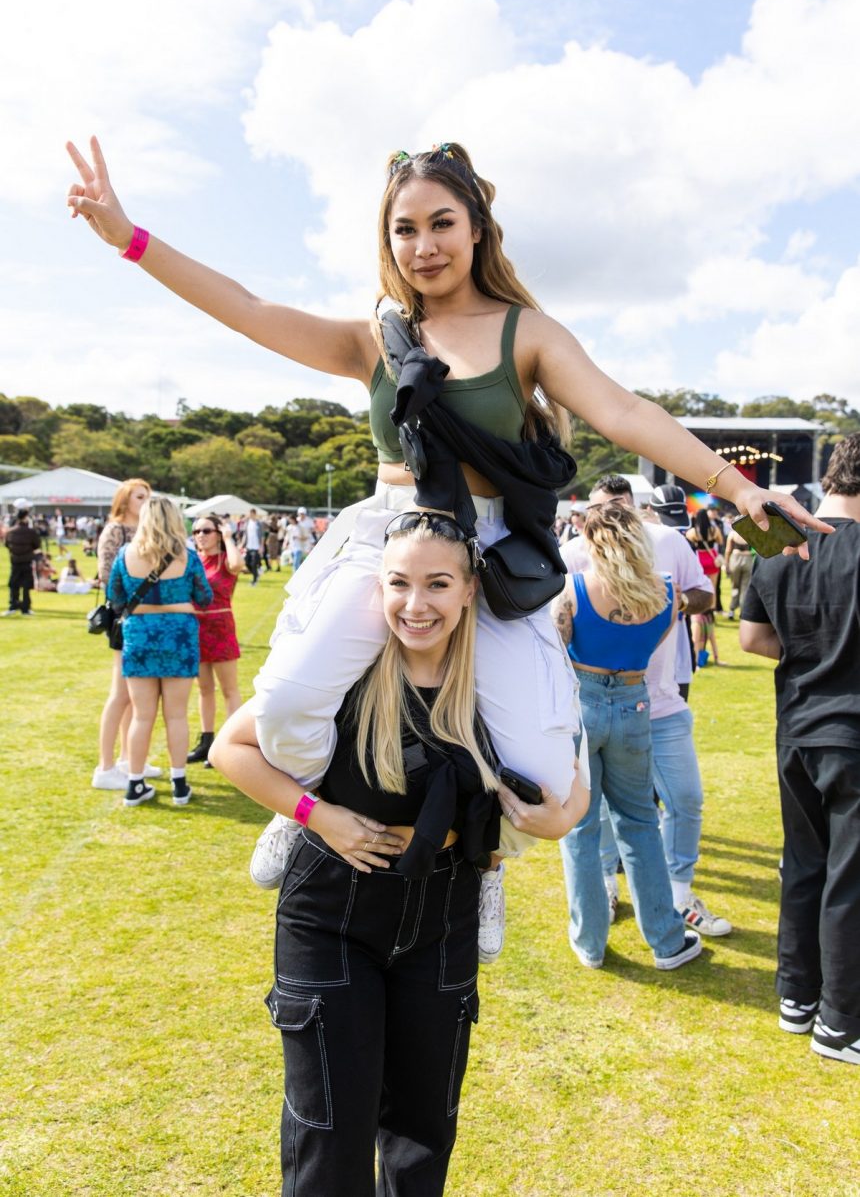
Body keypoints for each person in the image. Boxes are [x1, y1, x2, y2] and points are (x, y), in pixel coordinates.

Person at [66, 137, 827, 886]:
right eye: (405, 229)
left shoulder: (526, 333)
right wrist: (129, 238)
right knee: (290, 705)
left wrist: (739, 487)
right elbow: (246, 308)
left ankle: (483, 862)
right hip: (388, 542)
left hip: (488, 556)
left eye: (441, 224)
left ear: (477, 228)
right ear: (387, 240)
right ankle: (302, 804)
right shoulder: (374, 338)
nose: (424, 246)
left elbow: (624, 411)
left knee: (542, 773)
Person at [210, 513, 586, 1195]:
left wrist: (560, 820)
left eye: (438, 584)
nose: (416, 605)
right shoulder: (346, 670)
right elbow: (229, 748)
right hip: (333, 908)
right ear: (377, 587)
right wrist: (315, 816)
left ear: (469, 589)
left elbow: (573, 781)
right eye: (399, 584)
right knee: (331, 1132)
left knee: (423, 1133)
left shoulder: (497, 685)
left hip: (444, 909)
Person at [566, 477, 731, 937]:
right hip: (610, 701)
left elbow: (701, 595)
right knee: (604, 815)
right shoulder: (574, 556)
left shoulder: (668, 546)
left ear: (634, 509)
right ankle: (613, 896)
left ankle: (675, 897)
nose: (608, 518)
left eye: (616, 508)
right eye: (600, 510)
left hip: (655, 699)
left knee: (678, 801)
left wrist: (667, 603)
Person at [739, 434, 859, 1064]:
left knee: (806, 863)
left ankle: (798, 995)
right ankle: (840, 1022)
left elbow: (753, 639)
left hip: (798, 727)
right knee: (847, 876)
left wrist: (812, 657)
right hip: (849, 732)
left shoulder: (781, 544)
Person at [553, 502, 704, 969]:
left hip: (584, 702)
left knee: (581, 824)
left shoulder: (574, 590)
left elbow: (556, 650)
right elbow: (655, 643)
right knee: (639, 820)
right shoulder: (666, 592)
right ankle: (665, 939)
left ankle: (590, 941)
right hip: (635, 702)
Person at [108, 495, 213, 807]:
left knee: (142, 717)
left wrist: (148, 606)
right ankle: (179, 783)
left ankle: (135, 783)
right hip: (179, 638)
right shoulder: (187, 556)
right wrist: (176, 603)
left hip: (139, 637)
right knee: (176, 715)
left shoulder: (125, 554)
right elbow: (204, 597)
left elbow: (115, 598)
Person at [91, 479, 162, 789]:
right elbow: (107, 575)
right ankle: (105, 766)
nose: (145, 501)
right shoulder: (115, 530)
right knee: (120, 693)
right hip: (126, 618)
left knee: (136, 697)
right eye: (140, 497)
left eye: (148, 496)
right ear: (125, 500)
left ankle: (129, 758)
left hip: (145, 619)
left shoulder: (147, 530)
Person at [186, 513, 244, 767]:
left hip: (220, 628)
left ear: (218, 533)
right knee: (204, 688)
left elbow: (238, 565)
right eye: (196, 531)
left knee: (229, 689)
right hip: (196, 629)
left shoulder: (225, 559)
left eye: (207, 530)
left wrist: (229, 538)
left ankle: (230, 743)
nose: (200, 535)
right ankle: (206, 741)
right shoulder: (194, 560)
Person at [687, 509, 723, 666]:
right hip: (712, 558)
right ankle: (710, 612)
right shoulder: (714, 530)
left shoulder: (693, 532)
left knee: (702, 586)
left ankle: (701, 610)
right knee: (713, 587)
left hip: (701, 558)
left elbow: (689, 543)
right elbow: (720, 541)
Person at [3, 501, 41, 617]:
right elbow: (37, 545)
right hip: (26, 560)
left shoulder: (10, 532)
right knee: (26, 584)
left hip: (15, 560)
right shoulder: (31, 532)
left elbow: (6, 544)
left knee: (13, 584)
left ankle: (13, 604)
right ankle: (25, 607)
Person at [724, 522, 753, 620]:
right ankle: (743, 611)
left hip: (735, 559)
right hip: (748, 559)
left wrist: (726, 564)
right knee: (745, 587)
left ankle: (731, 610)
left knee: (735, 586)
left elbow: (728, 550)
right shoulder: (750, 533)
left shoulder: (732, 534)